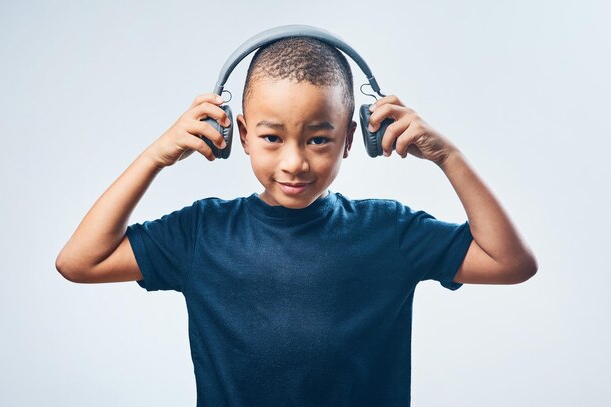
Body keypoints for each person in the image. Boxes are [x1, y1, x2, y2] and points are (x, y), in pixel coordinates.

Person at [55, 36, 537, 406]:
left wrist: (447, 156)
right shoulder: (201, 233)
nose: (294, 163)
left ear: (351, 139)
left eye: (318, 139)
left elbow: (510, 263)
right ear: (238, 134)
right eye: (271, 137)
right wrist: (154, 157)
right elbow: (79, 262)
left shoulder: (390, 232)